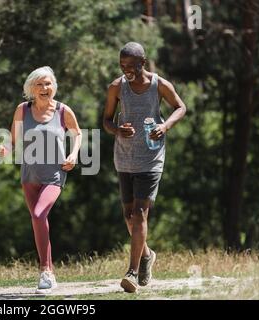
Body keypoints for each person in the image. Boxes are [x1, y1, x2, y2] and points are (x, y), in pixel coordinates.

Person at [103, 42, 186, 293]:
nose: (126, 70)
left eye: (130, 65)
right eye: (122, 65)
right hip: (124, 158)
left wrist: (165, 126)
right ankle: (148, 254)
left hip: (151, 158)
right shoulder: (116, 87)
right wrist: (117, 129)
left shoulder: (159, 84)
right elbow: (106, 120)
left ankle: (132, 270)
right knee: (129, 217)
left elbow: (180, 107)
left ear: (143, 62)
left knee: (140, 214)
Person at [0, 66, 82, 293]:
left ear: (54, 87)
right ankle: (49, 272)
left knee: (38, 214)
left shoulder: (63, 111)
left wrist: (74, 154)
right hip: (29, 175)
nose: (45, 88)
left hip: (54, 175)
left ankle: (46, 270)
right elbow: (13, 139)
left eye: (48, 84)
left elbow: (77, 133)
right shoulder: (22, 110)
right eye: (40, 84)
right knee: (38, 221)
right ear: (31, 89)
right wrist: (5, 147)